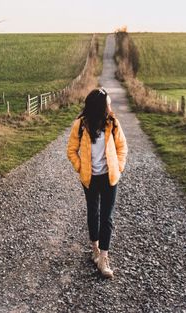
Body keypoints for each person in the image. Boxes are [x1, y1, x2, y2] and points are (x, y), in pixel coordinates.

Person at [67, 87, 128, 278]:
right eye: (108, 103)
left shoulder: (113, 123)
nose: (111, 106)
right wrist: (81, 168)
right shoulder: (80, 125)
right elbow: (71, 151)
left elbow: (122, 147)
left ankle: (103, 258)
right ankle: (95, 249)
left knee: (107, 217)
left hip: (110, 177)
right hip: (90, 178)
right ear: (98, 107)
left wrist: (118, 167)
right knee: (93, 213)